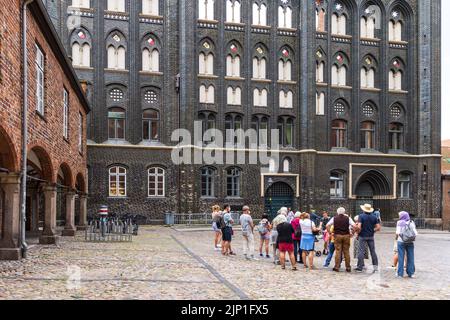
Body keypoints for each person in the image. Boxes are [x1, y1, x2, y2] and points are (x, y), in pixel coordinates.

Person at [355, 204, 381, 273]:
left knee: (361, 251)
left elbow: (359, 227)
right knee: (373, 252)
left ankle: (359, 267)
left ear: (364, 210)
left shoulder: (361, 216)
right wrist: (373, 230)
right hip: (371, 236)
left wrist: (357, 232)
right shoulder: (374, 217)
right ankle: (375, 268)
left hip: (362, 236)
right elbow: (378, 228)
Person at [328, 207, 355, 273]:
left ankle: (337, 267)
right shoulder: (348, 218)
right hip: (346, 236)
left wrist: (330, 233)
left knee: (338, 251)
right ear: (344, 212)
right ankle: (348, 267)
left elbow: (327, 225)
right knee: (346, 251)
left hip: (337, 236)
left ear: (337, 212)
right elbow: (354, 226)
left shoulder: (334, 218)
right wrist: (352, 233)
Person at [396, 211, 418, 278]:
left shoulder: (399, 222)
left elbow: (397, 232)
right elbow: (416, 233)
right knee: (411, 257)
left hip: (401, 241)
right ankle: (411, 273)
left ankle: (400, 274)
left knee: (401, 258)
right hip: (410, 242)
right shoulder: (411, 222)